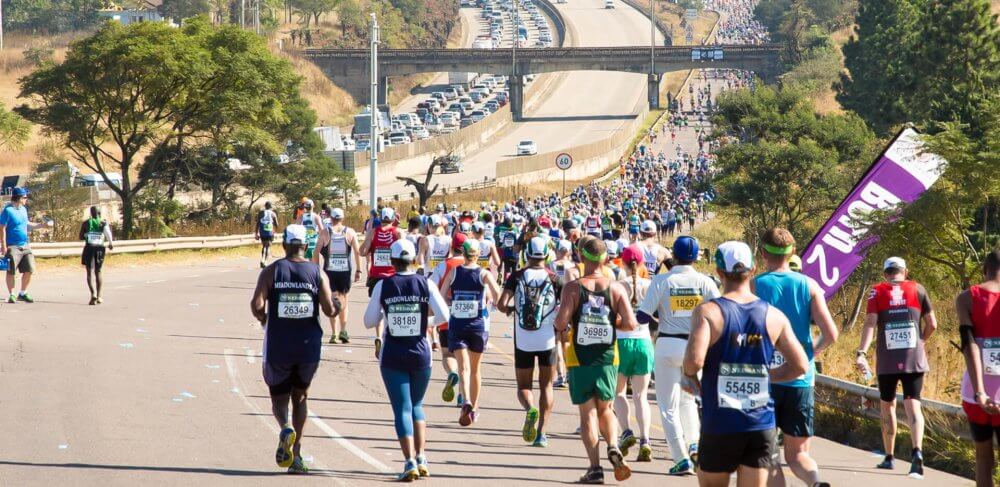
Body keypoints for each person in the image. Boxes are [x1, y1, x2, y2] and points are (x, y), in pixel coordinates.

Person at [682, 241, 808, 487]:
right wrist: (765, 376)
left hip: (720, 422)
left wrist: (690, 377)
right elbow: (800, 365)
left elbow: (694, 361)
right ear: (752, 270)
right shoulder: (774, 315)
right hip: (759, 424)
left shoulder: (708, 312)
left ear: (719, 272)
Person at [250, 224, 339, 475]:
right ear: (306, 246)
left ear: (284, 245)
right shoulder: (316, 272)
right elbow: (329, 310)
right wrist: (338, 305)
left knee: (279, 398)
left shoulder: (272, 271)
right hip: (308, 347)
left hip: (279, 346)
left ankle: (284, 426)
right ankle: (297, 455)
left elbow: (256, 305)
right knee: (300, 397)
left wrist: (265, 318)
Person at [753, 228, 838, 487]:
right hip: (800, 379)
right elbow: (830, 333)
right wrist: (808, 354)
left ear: (763, 252)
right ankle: (814, 481)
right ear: (792, 253)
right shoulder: (809, 285)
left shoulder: (755, 284)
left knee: (767, 455)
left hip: (764, 379)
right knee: (799, 454)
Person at [554, 236, 639, 484]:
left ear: (581, 257)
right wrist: (609, 322)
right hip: (607, 358)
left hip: (579, 359)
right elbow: (631, 323)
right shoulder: (616, 288)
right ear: (605, 259)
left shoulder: (573, 287)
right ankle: (613, 444)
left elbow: (560, 323)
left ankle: (595, 468)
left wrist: (573, 323)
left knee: (588, 414)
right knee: (606, 409)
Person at [364, 239, 449, 481]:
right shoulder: (425, 284)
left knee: (402, 408)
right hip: (421, 353)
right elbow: (445, 316)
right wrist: (425, 324)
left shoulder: (384, 285)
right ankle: (421, 457)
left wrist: (387, 314)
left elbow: (369, 321)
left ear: (391, 260)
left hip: (393, 355)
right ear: (413, 259)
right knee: (417, 405)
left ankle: (409, 460)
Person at [640, 236, 719, 475]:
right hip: (695, 348)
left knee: (667, 406)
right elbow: (720, 312)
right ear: (696, 258)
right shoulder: (705, 282)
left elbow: (643, 317)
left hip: (667, 344)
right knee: (688, 401)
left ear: (673, 255)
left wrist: (661, 317)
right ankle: (694, 445)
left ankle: (680, 457)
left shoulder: (662, 280)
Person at [856, 257, 937, 478]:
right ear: (905, 271)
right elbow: (933, 324)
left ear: (885, 274)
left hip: (887, 361)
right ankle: (917, 454)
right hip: (914, 358)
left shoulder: (877, 292)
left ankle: (889, 457)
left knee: (888, 406)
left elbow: (871, 323)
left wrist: (861, 352)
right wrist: (921, 341)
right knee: (913, 404)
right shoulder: (918, 289)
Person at [498, 237, 561, 448]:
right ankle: (542, 433)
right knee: (547, 386)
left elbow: (501, 304)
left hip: (523, 340)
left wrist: (510, 311)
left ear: (527, 254)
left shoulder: (516, 276)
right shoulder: (554, 278)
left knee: (524, 386)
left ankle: (530, 409)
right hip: (547, 340)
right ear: (546, 255)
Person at [439, 238, 502, 426]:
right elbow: (497, 295)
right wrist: (486, 302)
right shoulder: (484, 274)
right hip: (477, 326)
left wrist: (453, 303)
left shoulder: (454, 272)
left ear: (463, 253)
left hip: (458, 324)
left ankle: (465, 400)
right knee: (476, 370)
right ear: (478, 255)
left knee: (463, 368)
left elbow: (442, 295)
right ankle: (473, 408)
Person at [957, 249, 1000, 487]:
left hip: (975, 396)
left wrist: (981, 392)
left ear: (985, 270)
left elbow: (969, 344)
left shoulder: (966, 298)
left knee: (984, 460)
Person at [615, 244, 655, 462]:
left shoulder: (617, 285)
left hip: (621, 344)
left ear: (622, 261)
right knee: (641, 397)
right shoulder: (650, 285)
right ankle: (646, 440)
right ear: (641, 263)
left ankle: (626, 431)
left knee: (619, 393)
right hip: (644, 343)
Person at [430, 232, 469, 406]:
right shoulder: (473, 266)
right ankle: (463, 394)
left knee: (447, 353)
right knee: (465, 357)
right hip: (469, 318)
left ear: (451, 246)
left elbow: (430, 286)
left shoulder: (443, 266)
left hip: (447, 315)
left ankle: (452, 372)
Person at [314, 208, 362, 344]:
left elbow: (315, 252)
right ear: (342, 218)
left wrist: (316, 270)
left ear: (331, 218)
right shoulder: (350, 232)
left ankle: (334, 333)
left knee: (332, 300)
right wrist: (359, 270)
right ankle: (343, 330)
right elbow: (358, 252)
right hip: (345, 272)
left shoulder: (324, 233)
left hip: (330, 272)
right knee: (344, 300)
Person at [361, 207, 402, 358]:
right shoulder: (397, 232)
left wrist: (368, 242)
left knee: (377, 307)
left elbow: (362, 252)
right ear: (393, 218)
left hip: (376, 276)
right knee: (391, 307)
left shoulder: (373, 232)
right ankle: (388, 335)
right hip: (393, 275)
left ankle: (378, 336)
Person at [1, 187, 50, 304]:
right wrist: (3, 245)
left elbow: (27, 224)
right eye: (25, 197)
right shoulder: (7, 211)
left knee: (29, 269)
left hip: (25, 244)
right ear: (18, 198)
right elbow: (2, 228)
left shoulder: (23, 209)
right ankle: (12, 294)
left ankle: (23, 292)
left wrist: (42, 225)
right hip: (12, 245)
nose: (26, 199)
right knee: (11, 271)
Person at [78, 206, 114, 305]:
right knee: (98, 271)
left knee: (89, 272)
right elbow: (108, 233)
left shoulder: (86, 223)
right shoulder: (103, 222)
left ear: (91, 213)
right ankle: (99, 296)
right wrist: (111, 244)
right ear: (99, 213)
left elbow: (81, 236)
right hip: (99, 248)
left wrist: (87, 234)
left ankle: (92, 294)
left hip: (89, 247)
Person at [255, 202, 279, 268]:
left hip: (262, 231)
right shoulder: (273, 213)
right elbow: (277, 224)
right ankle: (265, 261)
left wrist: (256, 233)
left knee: (264, 246)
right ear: (271, 207)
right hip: (270, 231)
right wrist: (275, 231)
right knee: (268, 246)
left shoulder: (261, 213)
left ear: (265, 206)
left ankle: (262, 259)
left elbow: (257, 223)